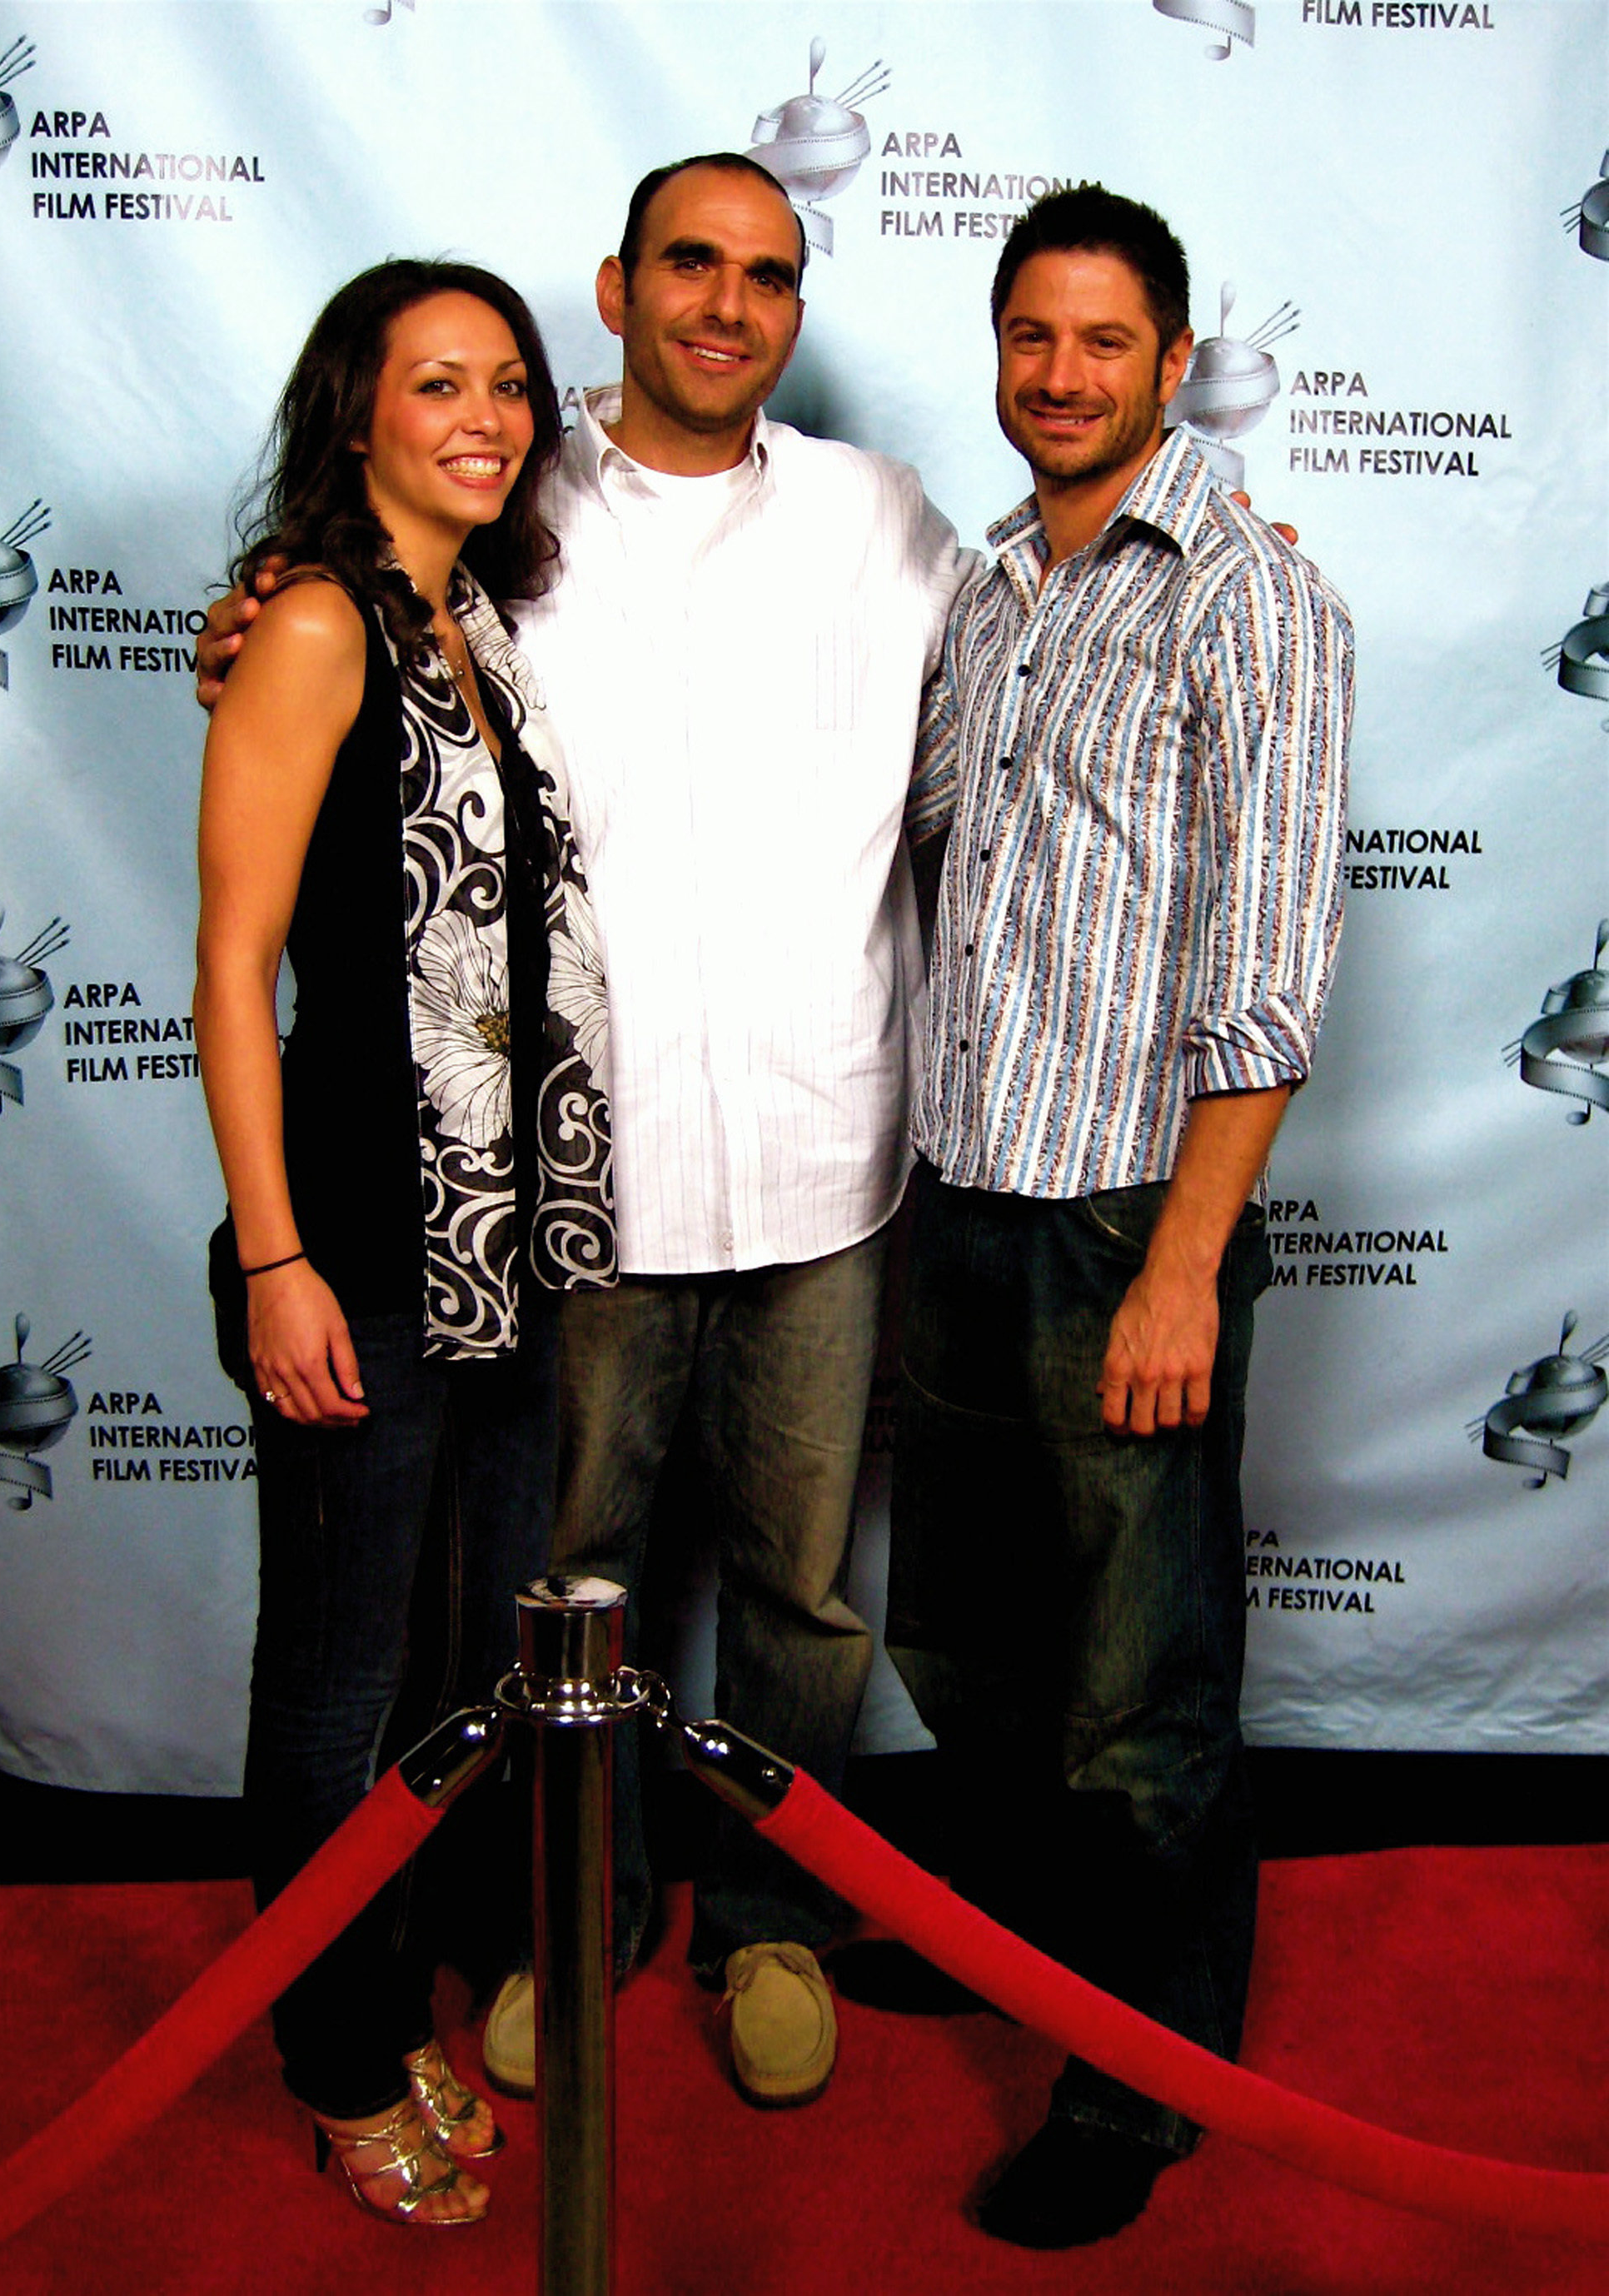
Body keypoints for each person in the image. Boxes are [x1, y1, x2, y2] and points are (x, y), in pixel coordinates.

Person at [199, 155, 972, 2110]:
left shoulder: (882, 519)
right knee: (562, 1593)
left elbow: (1020, 700)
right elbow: (331, 688)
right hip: (571, 1204)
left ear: (795, 312)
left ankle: (772, 1922)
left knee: (800, 1593)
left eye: (769, 275)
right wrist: (262, 623)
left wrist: (1205, 564)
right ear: (618, 293)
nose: (729, 303)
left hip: (816, 1157)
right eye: (690, 266)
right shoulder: (500, 508)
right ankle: (566, 1915)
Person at [889, 187, 1352, 2249]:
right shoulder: (987, 582)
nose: (1056, 375)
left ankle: (1139, 2084)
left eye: (1101, 342)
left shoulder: (1244, 594)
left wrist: (1180, 1259)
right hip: (958, 1191)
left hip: (1116, 1222)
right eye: (1027, 337)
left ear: (1173, 359)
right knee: (976, 1641)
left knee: (1137, 1692)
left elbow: (1266, 961)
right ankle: (1021, 1951)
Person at [192, 258, 615, 2225]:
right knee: (334, 1682)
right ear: (350, 407)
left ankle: (382, 1988)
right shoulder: (307, 624)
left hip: (503, 1243)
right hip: (359, 1238)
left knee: (464, 1657)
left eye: (512, 381)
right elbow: (229, 959)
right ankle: (336, 2056)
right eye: (435, 379)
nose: (486, 411)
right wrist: (274, 1261)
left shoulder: (474, 621)